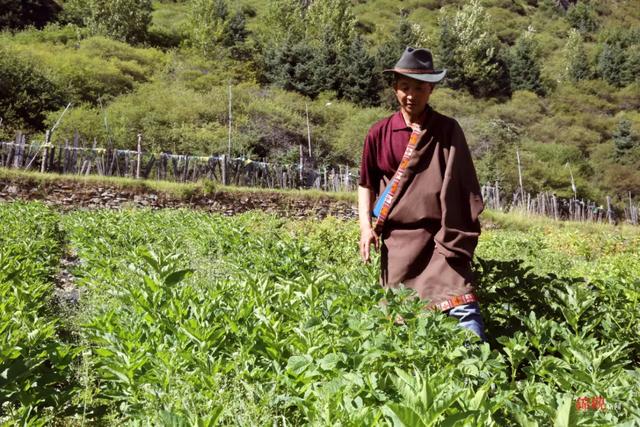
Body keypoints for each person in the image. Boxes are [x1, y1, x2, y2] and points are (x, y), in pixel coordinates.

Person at [358, 47, 486, 341]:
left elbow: (463, 184)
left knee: (462, 306)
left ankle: (479, 374)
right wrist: (365, 227)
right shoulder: (379, 132)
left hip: (442, 237)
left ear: (431, 89)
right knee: (403, 320)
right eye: (404, 87)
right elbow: (366, 183)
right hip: (399, 243)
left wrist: (454, 235)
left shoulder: (447, 130)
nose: (411, 95)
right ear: (395, 89)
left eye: (419, 87)